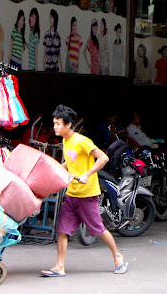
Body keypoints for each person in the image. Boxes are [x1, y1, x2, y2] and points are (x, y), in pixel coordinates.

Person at [41, 104, 127, 277]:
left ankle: (118, 257)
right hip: (72, 194)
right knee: (62, 230)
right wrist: (57, 169)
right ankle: (59, 266)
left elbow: (103, 158)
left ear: (68, 125)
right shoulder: (65, 141)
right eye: (54, 123)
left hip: (88, 195)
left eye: (58, 123)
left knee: (98, 229)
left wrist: (88, 174)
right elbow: (70, 162)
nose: (55, 127)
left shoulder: (81, 141)